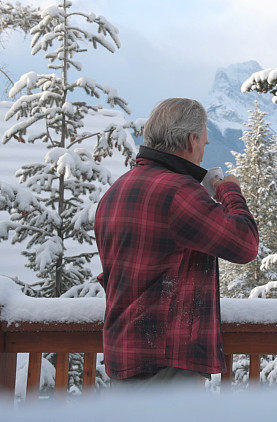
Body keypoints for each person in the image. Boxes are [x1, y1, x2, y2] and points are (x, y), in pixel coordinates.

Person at [94, 98, 259, 389]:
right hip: (166, 362)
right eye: (204, 144)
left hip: (123, 354)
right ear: (192, 139)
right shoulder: (179, 192)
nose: (203, 152)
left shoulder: (118, 189)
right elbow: (245, 244)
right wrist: (229, 191)